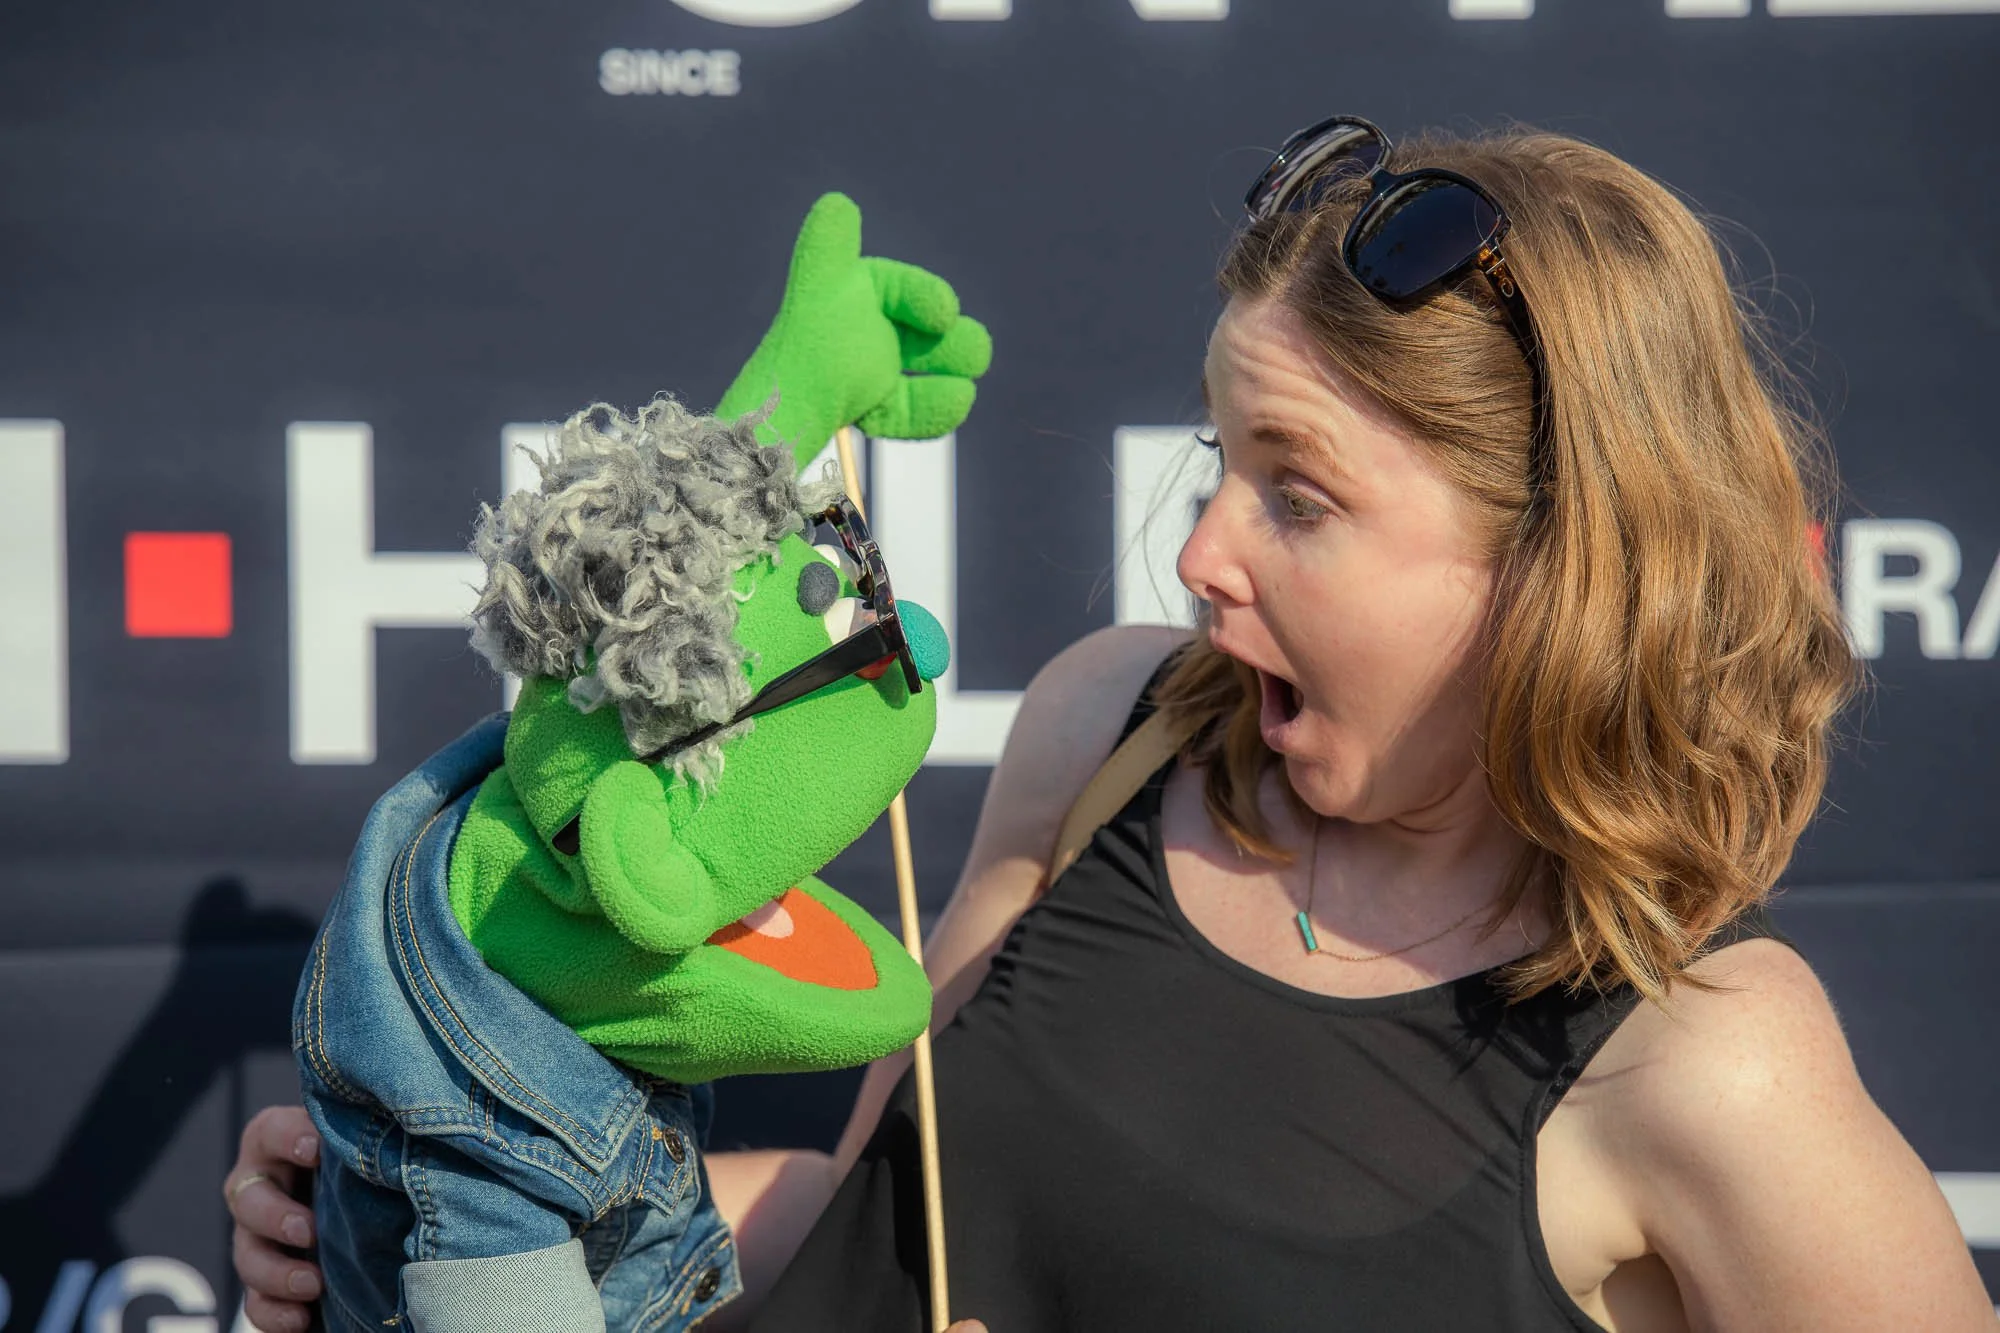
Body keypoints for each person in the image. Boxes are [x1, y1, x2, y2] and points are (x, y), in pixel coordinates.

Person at [228, 118, 1995, 1331]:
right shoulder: (1112, 732)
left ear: (1564, 562)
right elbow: (885, 1211)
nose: (1204, 553)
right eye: (1221, 461)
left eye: (1300, 496)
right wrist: (443, 1190)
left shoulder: (1713, 1063)